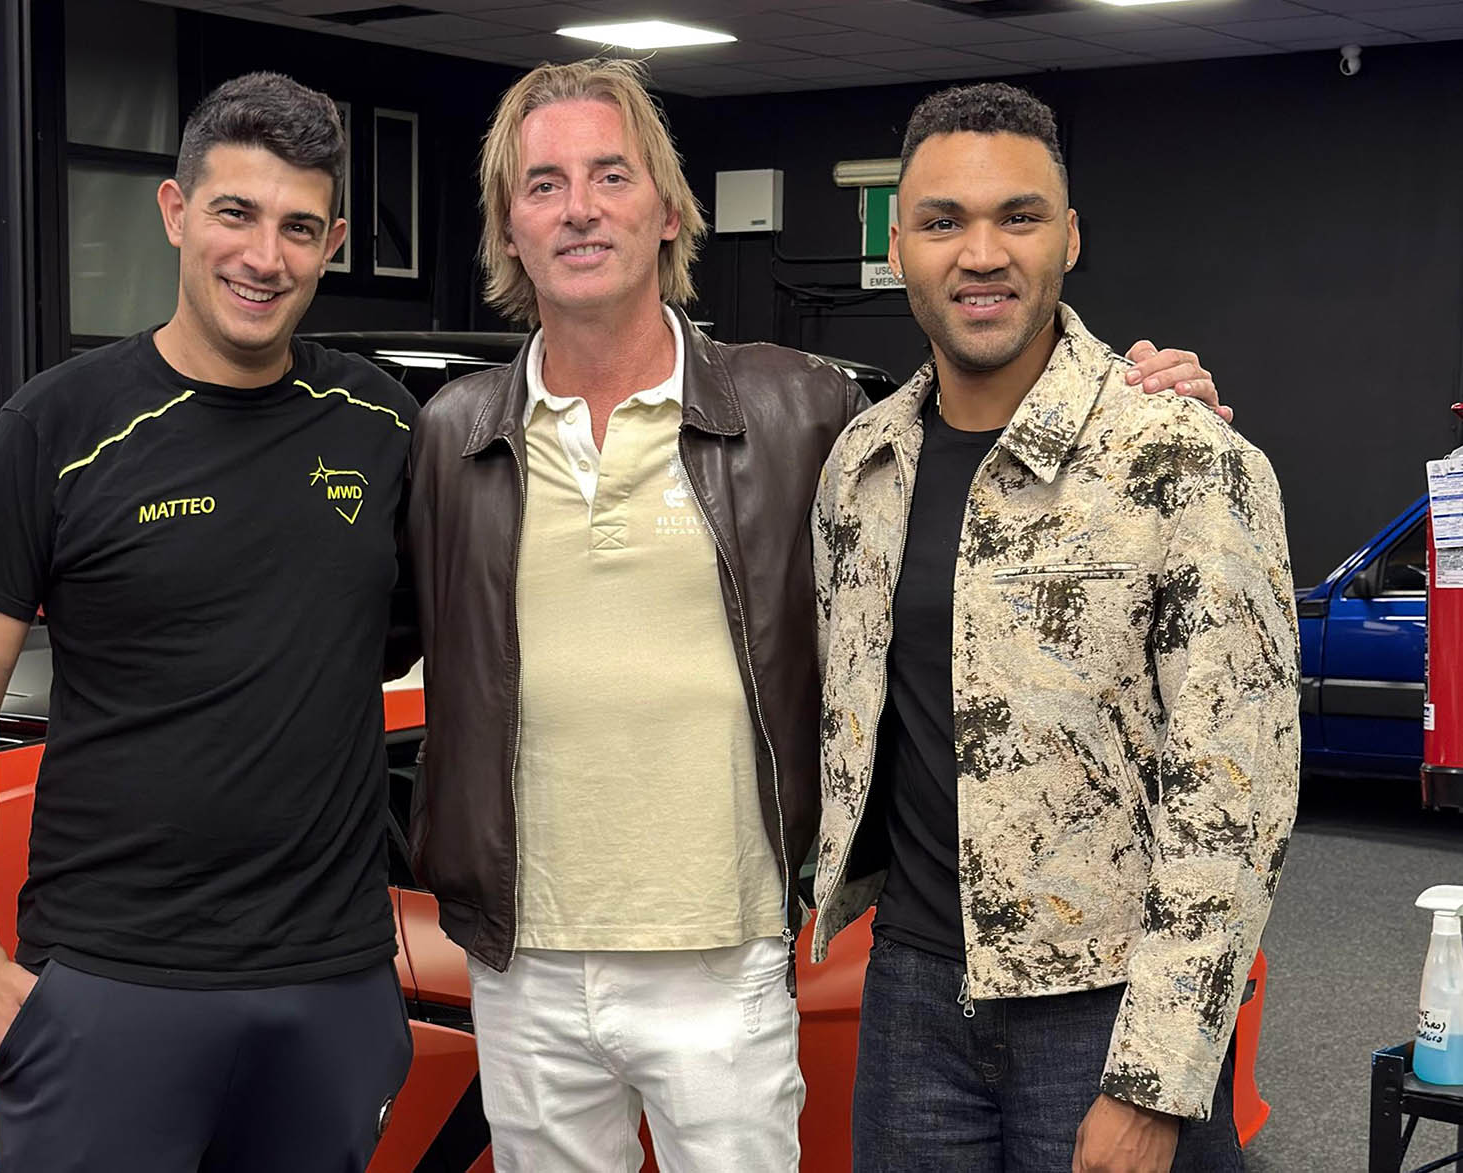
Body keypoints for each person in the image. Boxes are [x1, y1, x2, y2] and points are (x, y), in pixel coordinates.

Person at [407, 58, 1227, 1172]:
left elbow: (984, 415)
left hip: (728, 950)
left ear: (670, 210)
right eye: (543, 184)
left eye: (611, 174)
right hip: (521, 957)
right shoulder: (450, 435)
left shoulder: (805, 412)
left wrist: (1150, 403)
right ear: (509, 225)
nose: (580, 208)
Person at [0, 71, 416, 1173]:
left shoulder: (381, 423)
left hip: (330, 983)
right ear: (176, 212)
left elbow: (436, 644)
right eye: (236, 213)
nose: (264, 256)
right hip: (109, 982)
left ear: (332, 244)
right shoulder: (60, 422)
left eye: (298, 227)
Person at [810, 82, 1298, 1173]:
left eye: (1017, 217)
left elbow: (1239, 795)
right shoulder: (861, 468)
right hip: (910, 995)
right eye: (943, 220)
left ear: (1068, 237)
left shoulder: (1181, 457)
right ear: (897, 248)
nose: (980, 254)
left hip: (1105, 1008)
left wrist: (1155, 1077)